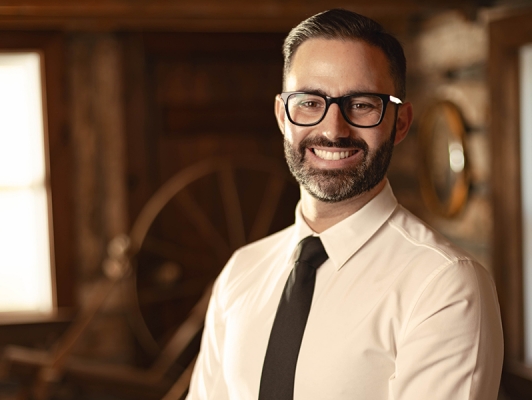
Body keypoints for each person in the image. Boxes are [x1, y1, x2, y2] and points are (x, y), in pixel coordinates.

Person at [186, 8, 503, 400]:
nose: (334, 129)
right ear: (283, 116)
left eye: (362, 104)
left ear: (400, 122)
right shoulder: (241, 272)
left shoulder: (443, 286)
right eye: (309, 102)